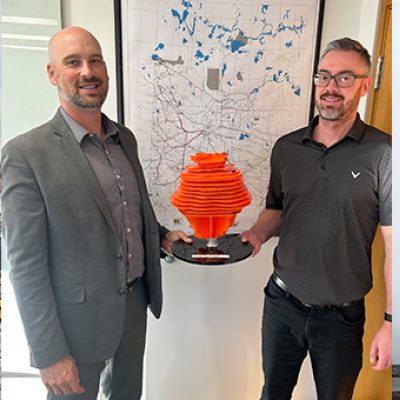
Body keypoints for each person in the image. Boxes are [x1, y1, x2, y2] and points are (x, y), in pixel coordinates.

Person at [2, 26, 192, 400]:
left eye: (95, 60)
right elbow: (25, 265)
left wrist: (165, 237)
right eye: (73, 62)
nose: (87, 71)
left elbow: (128, 212)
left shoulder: (125, 138)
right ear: (53, 74)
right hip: (75, 328)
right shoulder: (25, 154)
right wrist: (49, 353)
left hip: (134, 309)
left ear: (106, 70)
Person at [240, 37, 392, 400]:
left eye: (344, 78)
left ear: (365, 85)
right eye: (323, 77)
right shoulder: (287, 148)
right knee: (272, 393)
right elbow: (276, 210)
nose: (330, 88)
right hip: (282, 305)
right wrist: (258, 234)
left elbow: (394, 246)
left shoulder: (385, 155)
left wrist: (391, 324)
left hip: (340, 319)